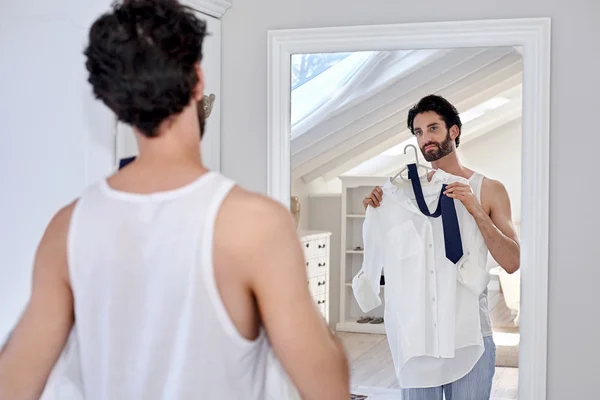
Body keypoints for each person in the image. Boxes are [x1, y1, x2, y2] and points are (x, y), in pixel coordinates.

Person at [0, 1, 349, 399]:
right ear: (197, 80)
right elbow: (327, 386)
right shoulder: (254, 224)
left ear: (114, 103)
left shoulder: (68, 228)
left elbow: (13, 382)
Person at [362, 94, 520, 399]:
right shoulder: (402, 194)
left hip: (471, 334)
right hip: (419, 339)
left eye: (433, 128)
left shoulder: (489, 189)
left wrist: (474, 208)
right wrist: (377, 210)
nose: (425, 139)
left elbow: (513, 261)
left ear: (454, 131)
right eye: (418, 132)